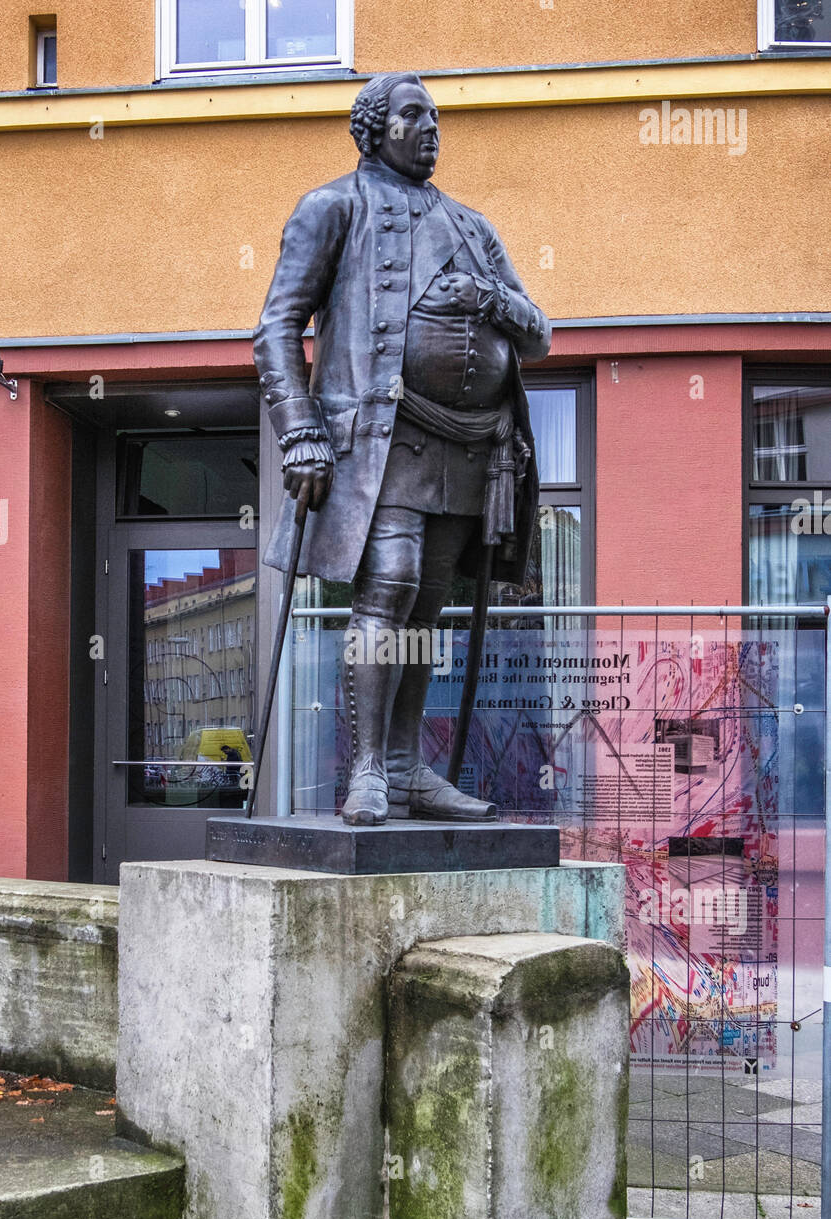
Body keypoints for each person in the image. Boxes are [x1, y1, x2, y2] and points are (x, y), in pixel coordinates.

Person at [255, 71, 551, 824]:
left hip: (469, 447)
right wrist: (300, 433)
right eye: (413, 114)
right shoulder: (333, 208)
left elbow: (540, 334)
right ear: (373, 128)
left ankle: (405, 766)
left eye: (435, 116)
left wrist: (487, 299)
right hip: (379, 441)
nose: (431, 128)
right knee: (390, 582)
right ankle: (365, 772)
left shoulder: (472, 225)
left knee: (426, 608)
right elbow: (276, 326)